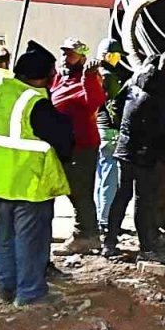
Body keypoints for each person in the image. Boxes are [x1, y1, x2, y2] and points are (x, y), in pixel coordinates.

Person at [0, 41, 73, 306]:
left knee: (4, 237)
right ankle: (31, 293)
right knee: (30, 240)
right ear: (43, 77)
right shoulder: (34, 101)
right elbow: (63, 139)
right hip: (28, 183)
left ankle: (7, 287)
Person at [106, 51, 165, 264]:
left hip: (125, 147)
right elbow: (162, 128)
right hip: (146, 153)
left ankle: (109, 243)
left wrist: (125, 129)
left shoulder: (134, 79)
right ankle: (146, 248)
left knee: (122, 194)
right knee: (144, 200)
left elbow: (115, 104)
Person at [50, 38, 107, 255]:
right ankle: (87, 233)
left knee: (81, 191)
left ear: (82, 57)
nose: (65, 57)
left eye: (70, 54)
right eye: (64, 53)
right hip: (63, 145)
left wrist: (89, 78)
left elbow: (94, 102)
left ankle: (86, 235)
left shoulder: (88, 79)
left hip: (82, 146)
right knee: (72, 191)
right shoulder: (59, 79)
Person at [93, 38, 133, 238]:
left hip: (97, 131)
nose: (119, 60)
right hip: (110, 131)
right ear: (109, 56)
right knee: (110, 178)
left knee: (101, 176)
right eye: (117, 56)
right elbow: (116, 106)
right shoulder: (109, 76)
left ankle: (100, 219)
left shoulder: (94, 74)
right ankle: (106, 221)